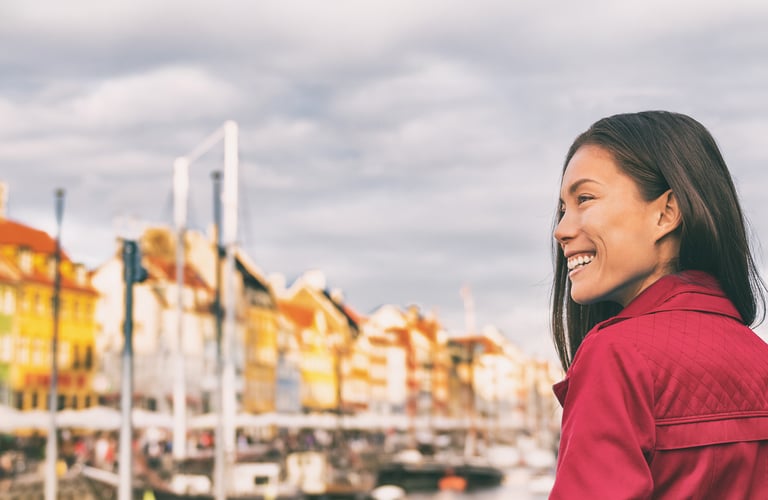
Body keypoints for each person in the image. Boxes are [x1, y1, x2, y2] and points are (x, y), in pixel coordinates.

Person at [549, 110, 768, 499]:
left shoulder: (617, 355)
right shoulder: (759, 358)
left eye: (585, 199)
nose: (562, 229)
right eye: (564, 209)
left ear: (666, 213)